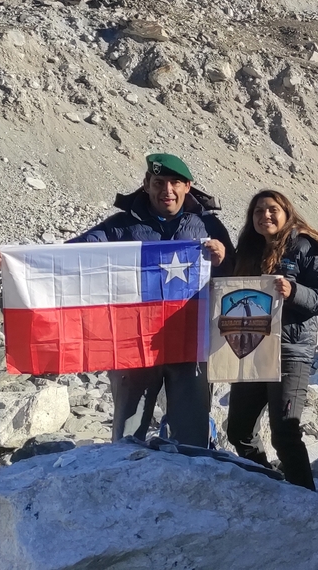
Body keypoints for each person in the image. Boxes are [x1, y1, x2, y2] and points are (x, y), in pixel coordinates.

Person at [68, 153, 232, 447]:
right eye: (158, 182)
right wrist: (19, 260)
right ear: (146, 184)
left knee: (192, 436)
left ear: (188, 186)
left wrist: (223, 257)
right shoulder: (120, 226)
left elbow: (236, 275)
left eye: (175, 183)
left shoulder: (209, 227)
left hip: (190, 346)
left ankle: (190, 487)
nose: (166, 190)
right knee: (128, 435)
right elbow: (73, 256)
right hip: (135, 345)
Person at [221, 190, 318, 489]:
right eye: (258, 211)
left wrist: (293, 291)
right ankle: (270, 483)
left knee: (285, 433)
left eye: (272, 209)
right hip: (251, 348)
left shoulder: (304, 246)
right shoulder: (247, 250)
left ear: (286, 212)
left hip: (289, 351)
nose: (265, 216)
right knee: (238, 430)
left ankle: (306, 499)